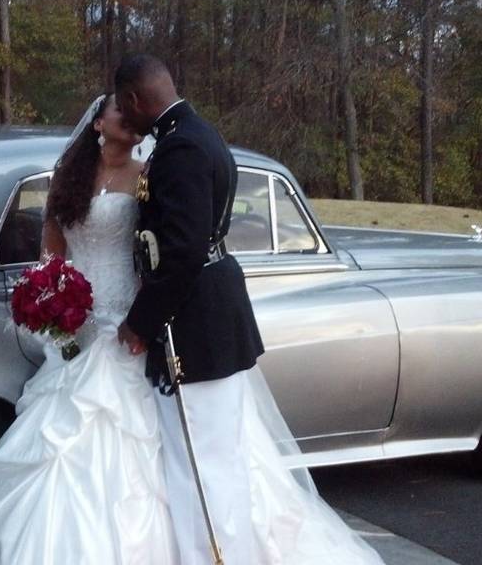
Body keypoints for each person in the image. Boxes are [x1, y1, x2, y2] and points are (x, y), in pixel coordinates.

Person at [114, 53, 385, 565]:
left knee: (201, 466)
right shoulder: (195, 135)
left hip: (192, 326)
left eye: (125, 108)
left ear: (133, 99)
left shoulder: (182, 149)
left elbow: (183, 250)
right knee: (214, 461)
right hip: (204, 317)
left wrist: (139, 324)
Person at [0, 93, 180, 564]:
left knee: (126, 439)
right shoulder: (67, 179)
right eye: (121, 110)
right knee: (58, 434)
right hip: (75, 325)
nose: (131, 119)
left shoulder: (146, 178)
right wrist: (52, 305)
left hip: (125, 322)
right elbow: (51, 258)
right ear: (98, 122)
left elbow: (152, 255)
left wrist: (143, 318)